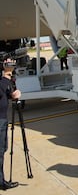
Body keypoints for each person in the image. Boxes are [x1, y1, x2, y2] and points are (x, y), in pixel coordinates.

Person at [0, 62, 21, 190]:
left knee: (3, 149)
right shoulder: (2, 80)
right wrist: (6, 78)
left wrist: (12, 95)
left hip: (2, 119)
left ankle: (1, 180)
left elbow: (4, 93)